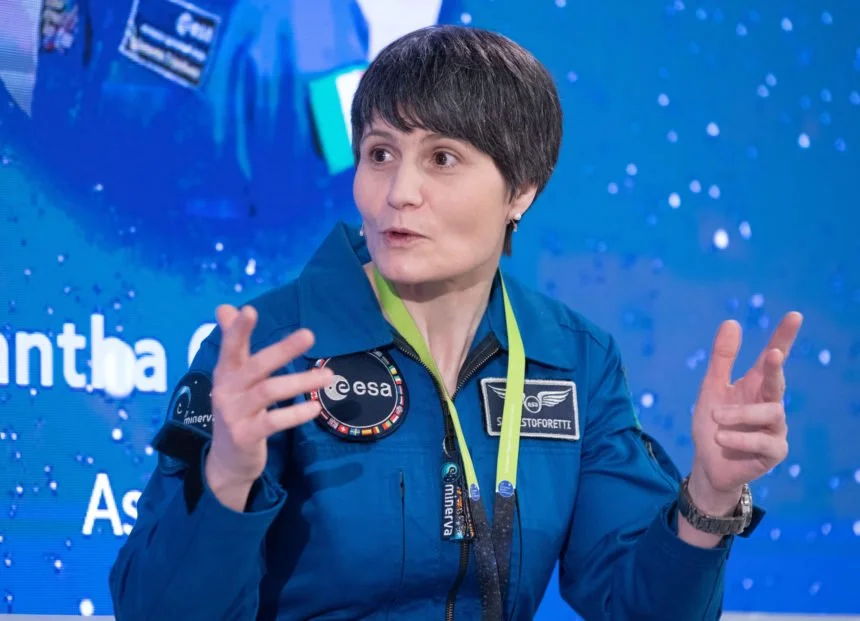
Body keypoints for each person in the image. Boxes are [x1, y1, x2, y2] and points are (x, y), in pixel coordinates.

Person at [109, 25, 803, 621]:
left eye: (441, 158)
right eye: (380, 153)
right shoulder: (271, 346)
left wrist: (710, 493)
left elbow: (637, 606)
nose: (399, 192)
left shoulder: (574, 358)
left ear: (521, 190)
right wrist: (228, 478)